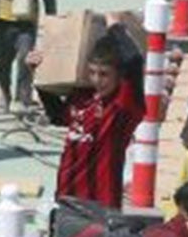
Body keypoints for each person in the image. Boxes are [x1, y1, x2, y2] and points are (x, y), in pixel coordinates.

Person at [55, 37, 146, 208]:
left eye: (104, 74)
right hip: (66, 195)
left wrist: (115, 28)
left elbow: (135, 61)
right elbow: (57, 116)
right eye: (92, 72)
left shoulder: (122, 107)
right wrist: (36, 75)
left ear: (119, 76)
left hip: (100, 203)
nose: (96, 80)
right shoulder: (81, 97)